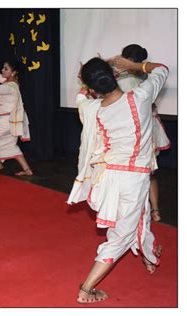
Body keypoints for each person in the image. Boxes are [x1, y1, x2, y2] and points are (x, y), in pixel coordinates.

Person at [68, 57, 168, 304]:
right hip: (133, 179)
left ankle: (147, 255)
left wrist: (86, 80)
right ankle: (86, 288)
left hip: (110, 178)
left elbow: (81, 98)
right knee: (121, 235)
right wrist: (133, 66)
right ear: (115, 75)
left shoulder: (92, 109)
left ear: (93, 89)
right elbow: (162, 70)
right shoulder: (140, 98)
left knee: (140, 214)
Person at [115, 44, 171, 222]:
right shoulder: (147, 77)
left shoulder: (123, 80)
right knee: (149, 171)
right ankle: (155, 211)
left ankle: (133, 213)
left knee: (129, 172)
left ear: (127, 59)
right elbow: (162, 69)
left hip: (130, 131)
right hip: (147, 130)